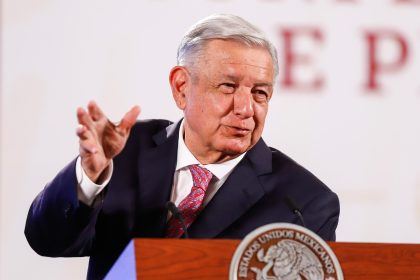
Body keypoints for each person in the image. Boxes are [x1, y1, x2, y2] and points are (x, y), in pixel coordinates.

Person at [25, 14, 339, 280]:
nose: (245, 108)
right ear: (181, 87)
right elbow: (47, 241)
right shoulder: (126, 152)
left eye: (259, 92)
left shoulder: (304, 202)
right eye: (228, 87)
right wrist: (89, 178)